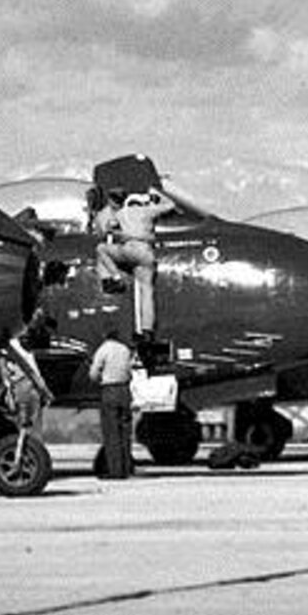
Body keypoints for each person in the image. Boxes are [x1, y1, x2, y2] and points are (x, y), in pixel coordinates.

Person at [95, 187, 177, 337]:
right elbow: (171, 205)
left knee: (101, 249)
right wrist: (158, 194)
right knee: (147, 291)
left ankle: (115, 278)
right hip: (145, 253)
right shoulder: (148, 211)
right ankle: (147, 330)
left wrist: (121, 234)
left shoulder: (120, 214)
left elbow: (108, 230)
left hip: (127, 250)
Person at [87, 326, 136, 479]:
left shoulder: (103, 350)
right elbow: (130, 369)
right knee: (125, 433)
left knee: (111, 432)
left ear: (104, 335)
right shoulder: (125, 350)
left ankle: (115, 471)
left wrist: (98, 379)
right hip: (125, 390)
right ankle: (126, 467)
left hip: (110, 391)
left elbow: (93, 374)